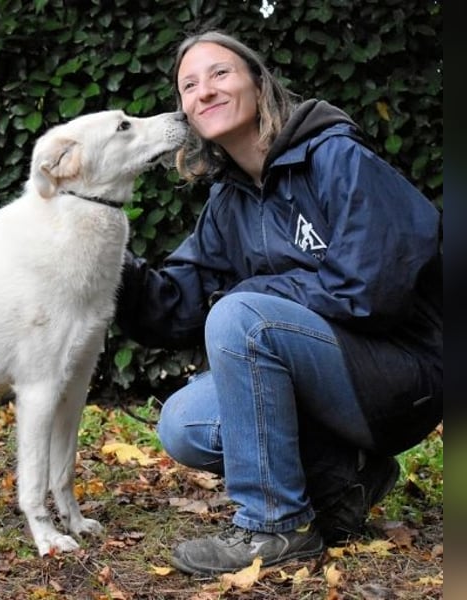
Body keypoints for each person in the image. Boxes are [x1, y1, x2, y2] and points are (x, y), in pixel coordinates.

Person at [115, 30, 442, 576]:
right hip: (332, 387)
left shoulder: (335, 156)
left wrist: (254, 297)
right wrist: (106, 254)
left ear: (258, 83)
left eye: (220, 73)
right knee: (184, 422)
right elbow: (173, 307)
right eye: (189, 86)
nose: (204, 91)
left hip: (404, 374)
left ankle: (276, 525)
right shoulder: (227, 202)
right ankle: (344, 477)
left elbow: (374, 289)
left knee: (242, 316)